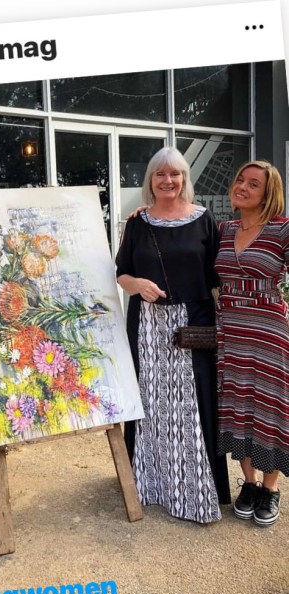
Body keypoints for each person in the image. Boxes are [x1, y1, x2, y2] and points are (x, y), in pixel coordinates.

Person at [116, 147, 230, 523]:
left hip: (192, 326)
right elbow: (121, 272)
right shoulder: (138, 222)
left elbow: (217, 276)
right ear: (150, 180)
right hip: (146, 325)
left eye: (175, 174)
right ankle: (151, 484)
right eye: (160, 174)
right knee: (150, 403)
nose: (168, 180)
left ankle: (197, 489)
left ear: (185, 179)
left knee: (193, 404)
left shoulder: (203, 220)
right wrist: (136, 284)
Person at [215, 160, 289, 527]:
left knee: (270, 407)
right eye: (240, 180)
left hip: (269, 333)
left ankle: (271, 488)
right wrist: (142, 213)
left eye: (253, 184)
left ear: (268, 193)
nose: (242, 187)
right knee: (238, 405)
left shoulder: (282, 229)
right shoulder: (223, 229)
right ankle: (249, 483)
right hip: (231, 331)